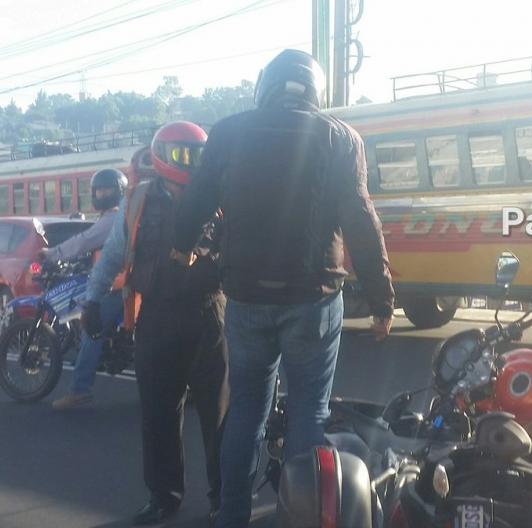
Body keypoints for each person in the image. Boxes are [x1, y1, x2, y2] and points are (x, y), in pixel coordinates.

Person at [172, 49, 395, 527]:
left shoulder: (229, 133)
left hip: (247, 298)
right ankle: (305, 517)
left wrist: (181, 247)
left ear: (264, 87)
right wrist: (382, 302)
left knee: (247, 410)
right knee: (308, 415)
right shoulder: (340, 137)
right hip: (313, 300)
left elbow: (195, 200)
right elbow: (361, 222)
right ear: (316, 91)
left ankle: (231, 515)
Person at [82, 122, 228, 526]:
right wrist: (92, 300)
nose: (191, 164)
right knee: (159, 413)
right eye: (183, 154)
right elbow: (113, 254)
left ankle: (224, 497)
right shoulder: (138, 201)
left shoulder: (220, 196)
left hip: (208, 314)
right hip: (156, 316)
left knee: (219, 415)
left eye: (198, 155)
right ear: (162, 156)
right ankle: (163, 496)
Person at [48, 168, 127, 410]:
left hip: (119, 288)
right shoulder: (117, 216)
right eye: (99, 190)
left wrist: (53, 253)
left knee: (90, 328)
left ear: (118, 192)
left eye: (108, 189)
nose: (103, 194)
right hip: (123, 286)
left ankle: (79, 390)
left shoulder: (112, 219)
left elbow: (84, 241)